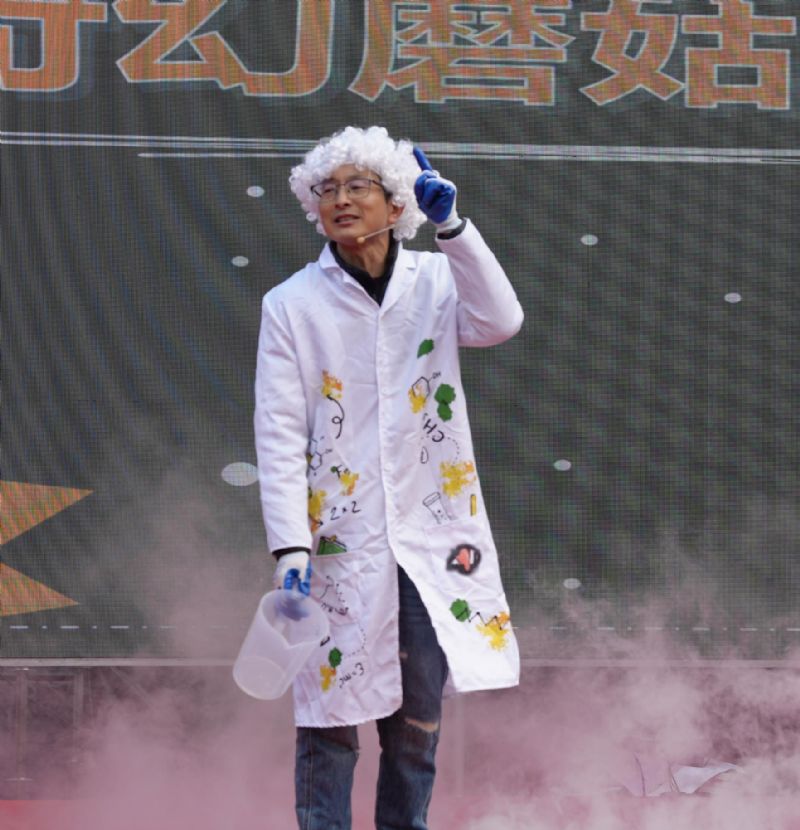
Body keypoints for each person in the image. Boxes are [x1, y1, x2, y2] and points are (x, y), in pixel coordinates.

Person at [254, 125, 523, 830]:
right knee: (329, 721)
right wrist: (291, 548)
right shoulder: (292, 303)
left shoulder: (435, 280)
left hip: (428, 538)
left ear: (397, 203)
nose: (340, 200)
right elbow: (278, 434)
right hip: (338, 544)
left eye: (358, 186)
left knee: (416, 723)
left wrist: (454, 227)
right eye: (327, 189)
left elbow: (500, 320)